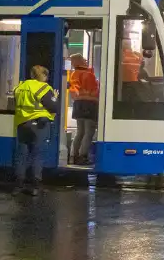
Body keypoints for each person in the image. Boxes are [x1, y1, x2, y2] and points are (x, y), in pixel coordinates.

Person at [12, 65, 60, 196]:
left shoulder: (20, 87)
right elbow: (53, 107)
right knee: (37, 156)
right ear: (43, 76)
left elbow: (14, 104)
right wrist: (54, 97)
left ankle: (18, 186)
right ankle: (36, 186)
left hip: (22, 124)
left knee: (22, 155)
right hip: (39, 125)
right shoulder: (43, 88)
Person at [68, 54, 99, 165]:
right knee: (89, 132)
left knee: (80, 132)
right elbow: (95, 91)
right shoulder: (87, 74)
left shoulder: (74, 74)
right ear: (80, 61)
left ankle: (74, 156)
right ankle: (83, 156)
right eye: (84, 59)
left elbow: (74, 91)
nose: (86, 61)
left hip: (78, 105)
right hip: (89, 105)